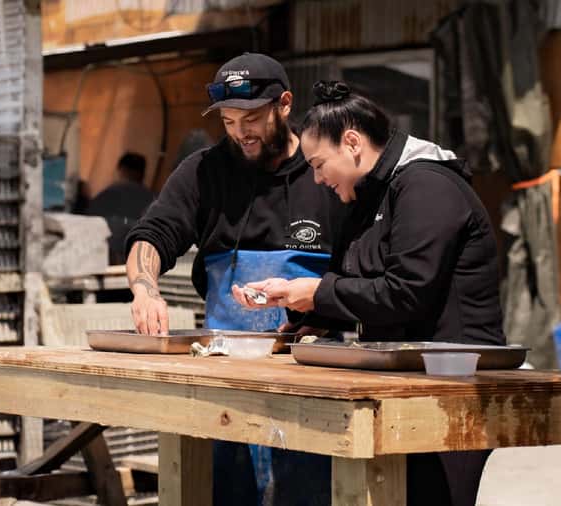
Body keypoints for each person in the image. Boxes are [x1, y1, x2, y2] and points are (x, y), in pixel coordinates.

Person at [234, 81, 505, 506]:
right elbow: (357, 284)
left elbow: (406, 292)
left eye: (320, 165)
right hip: (403, 382)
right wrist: (304, 313)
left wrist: (319, 293)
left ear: (353, 143)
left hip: (456, 388)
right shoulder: (369, 197)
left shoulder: (427, 186)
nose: (318, 179)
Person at [125, 54, 345, 505]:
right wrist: (144, 289)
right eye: (228, 121)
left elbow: (363, 267)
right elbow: (152, 236)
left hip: (314, 380)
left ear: (285, 105)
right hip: (223, 377)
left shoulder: (323, 171)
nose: (240, 132)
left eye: (252, 119)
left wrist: (327, 309)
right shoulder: (205, 172)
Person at [86, 152, 156, 265]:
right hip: (139, 262)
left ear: (122, 170)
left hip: (107, 260)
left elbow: (87, 224)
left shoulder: (108, 195)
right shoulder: (154, 200)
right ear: (143, 173)